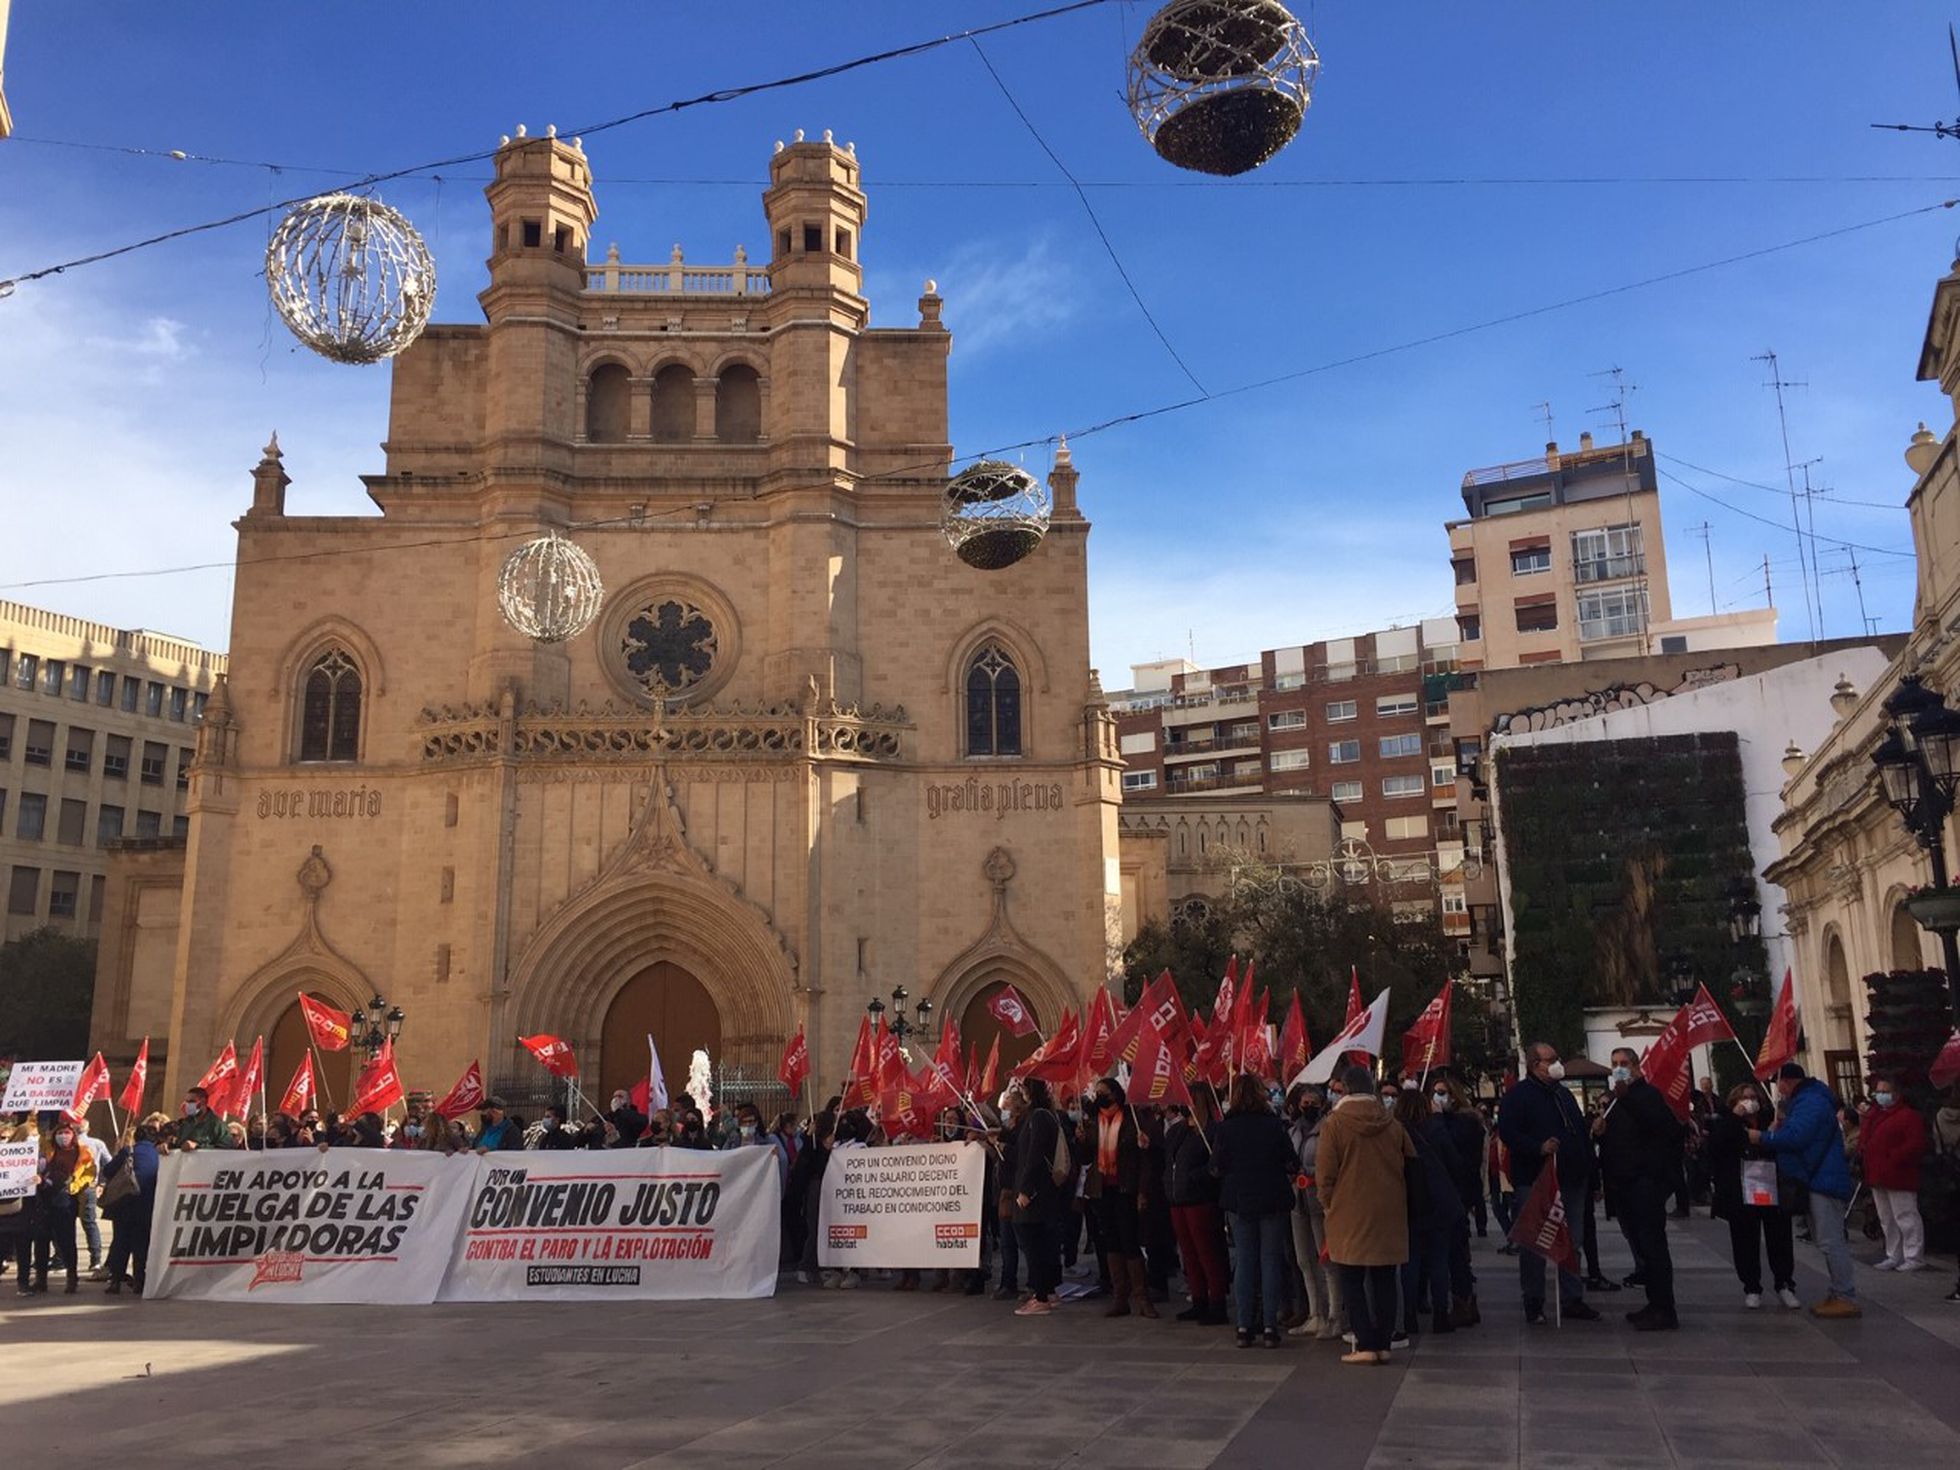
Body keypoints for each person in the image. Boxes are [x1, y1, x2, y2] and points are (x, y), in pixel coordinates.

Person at [1496, 1042, 1601, 1324]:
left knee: (1572, 1240)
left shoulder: (1563, 1094)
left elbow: (1579, 1133)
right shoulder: (1518, 1096)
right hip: (1536, 1179)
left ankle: (1572, 1297)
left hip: (1572, 1177)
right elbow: (1508, 1132)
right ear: (1535, 1065)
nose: (1557, 1063)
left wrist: (1592, 1174)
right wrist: (1537, 1147)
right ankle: (1533, 1300)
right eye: (1551, 1059)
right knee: (1534, 1244)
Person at [1317, 1064, 1415, 1365]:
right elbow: (1411, 1162)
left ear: (1345, 1089)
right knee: (1385, 1278)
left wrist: (1329, 1204)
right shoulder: (1392, 1124)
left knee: (1351, 1279)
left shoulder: (1335, 1124)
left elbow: (1325, 1174)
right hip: (1389, 1211)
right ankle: (1384, 1343)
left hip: (1348, 1213)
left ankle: (1365, 1344)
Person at [1753, 1061, 1859, 1318]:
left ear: (1788, 1082)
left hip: (1823, 1180)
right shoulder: (1806, 1101)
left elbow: (1797, 1137)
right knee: (1826, 1240)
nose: (1778, 1089)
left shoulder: (1810, 1102)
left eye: (1779, 1083)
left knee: (1831, 1241)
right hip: (1816, 1178)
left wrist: (1763, 1137)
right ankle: (1838, 1292)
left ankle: (1845, 1295)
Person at [1595, 1046, 1684, 1330]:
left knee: (1653, 1245)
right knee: (1641, 1247)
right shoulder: (1616, 1101)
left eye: (1624, 1063)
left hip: (1645, 1182)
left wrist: (1626, 1098)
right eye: (1614, 1063)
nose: (1618, 1068)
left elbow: (1659, 1127)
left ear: (1635, 1066)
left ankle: (1664, 1308)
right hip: (1624, 1183)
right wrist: (1600, 1132)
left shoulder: (1647, 1095)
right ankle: (1653, 1302)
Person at [1212, 1073, 1296, 1348]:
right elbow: (1291, 1161)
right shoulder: (1273, 1125)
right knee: (1270, 1260)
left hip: (1240, 1200)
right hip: (1271, 1198)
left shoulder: (1227, 1128)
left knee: (1245, 1261)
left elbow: (1217, 1166)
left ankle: (1244, 1325)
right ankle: (1270, 1325)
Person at [1705, 1081, 1797, 1309]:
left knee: (1779, 1237)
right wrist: (1734, 1118)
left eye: (1753, 1097)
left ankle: (1784, 1283)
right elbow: (1715, 1146)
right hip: (1741, 1188)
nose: (1750, 1102)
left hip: (1770, 1185)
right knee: (1744, 1239)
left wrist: (1774, 1132)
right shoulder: (1726, 1121)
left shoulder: (1770, 1118)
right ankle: (1752, 1286)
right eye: (1744, 1098)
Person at [1395, 1086, 1465, 1339]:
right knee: (1439, 1260)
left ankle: (1409, 1315)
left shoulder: (1395, 1131)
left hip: (1410, 1202)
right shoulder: (1436, 1129)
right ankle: (1440, 1314)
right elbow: (1455, 1163)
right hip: (1439, 1202)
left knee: (1410, 1261)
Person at [1088, 1076, 1155, 1319]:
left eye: (1103, 1092)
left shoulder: (1131, 1119)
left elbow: (1145, 1159)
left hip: (1125, 1187)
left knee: (1130, 1240)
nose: (1099, 1097)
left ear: (1115, 1094)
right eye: (1097, 1092)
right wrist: (1081, 1139)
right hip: (1102, 1189)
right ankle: (1120, 1297)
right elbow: (1086, 1156)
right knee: (1111, 1241)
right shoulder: (1093, 1120)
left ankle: (1142, 1297)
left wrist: (1142, 1190)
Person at [1164, 1097, 1229, 1326]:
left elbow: (1216, 1163)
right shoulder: (1178, 1131)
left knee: (1207, 1251)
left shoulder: (1212, 1131)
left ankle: (1217, 1301)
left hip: (1200, 1199)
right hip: (1178, 1198)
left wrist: (1196, 1177)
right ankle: (1198, 1297)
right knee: (1189, 1252)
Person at [1286, 1083, 1342, 1340]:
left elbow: (1332, 1165)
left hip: (1320, 1203)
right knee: (1303, 1260)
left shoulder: (1328, 1129)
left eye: (1313, 1103)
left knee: (1327, 1260)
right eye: (1304, 1103)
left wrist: (1310, 1174)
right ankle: (1314, 1313)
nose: (1308, 1107)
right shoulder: (1293, 1131)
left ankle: (1334, 1316)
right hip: (1297, 1202)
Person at [1009, 1078, 1068, 1317]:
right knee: (1043, 1242)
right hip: (1042, 1190)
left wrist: (1025, 1189)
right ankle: (1049, 1291)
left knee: (1033, 1242)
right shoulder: (1041, 1117)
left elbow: (1034, 1155)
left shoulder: (1039, 1117)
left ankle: (1041, 1295)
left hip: (1036, 1192)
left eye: (1023, 1089)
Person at [1430, 1075, 1485, 1326]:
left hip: (1458, 1192)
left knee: (1455, 1252)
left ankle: (1463, 1301)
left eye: (1442, 1092)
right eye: (1435, 1092)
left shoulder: (1465, 1122)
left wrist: (1438, 1120)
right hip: (1452, 1192)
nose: (1437, 1097)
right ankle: (1464, 1300)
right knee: (1456, 1250)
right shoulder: (1451, 1121)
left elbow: (1455, 1154)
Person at [1860, 1074, 1928, 1272]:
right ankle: (1893, 1254)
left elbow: (1915, 1144)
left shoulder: (1908, 1116)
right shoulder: (1875, 1115)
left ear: (1896, 1093)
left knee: (1905, 1216)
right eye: (1878, 1091)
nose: (1880, 1095)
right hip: (1877, 1174)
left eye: (1885, 1091)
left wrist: (1894, 1157)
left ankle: (1914, 1256)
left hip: (1899, 1175)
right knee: (1887, 1218)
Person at [100, 1122, 161, 1296]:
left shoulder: (128, 1151)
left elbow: (108, 1171)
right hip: (147, 1206)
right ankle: (140, 1282)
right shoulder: (159, 1154)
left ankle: (115, 1281)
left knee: (121, 1243)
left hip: (124, 1204)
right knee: (141, 1244)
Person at [36, 1121, 95, 1294]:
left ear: (73, 1135)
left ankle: (72, 1277)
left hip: (65, 1200)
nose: (63, 1136)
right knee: (41, 1239)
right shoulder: (48, 1150)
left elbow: (90, 1172)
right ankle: (40, 1279)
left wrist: (75, 1186)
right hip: (44, 1198)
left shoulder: (82, 1151)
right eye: (60, 1133)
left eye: (67, 1133)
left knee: (66, 1240)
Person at [75, 1118, 111, 1277]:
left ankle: (94, 1258)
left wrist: (102, 1183)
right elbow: (109, 1165)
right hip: (82, 1187)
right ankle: (94, 1259)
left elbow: (108, 1165)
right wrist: (102, 1183)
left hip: (85, 1187)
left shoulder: (96, 1144)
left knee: (85, 1222)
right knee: (88, 1222)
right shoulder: (96, 1144)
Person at [175, 1087, 233, 1151]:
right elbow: (176, 1144)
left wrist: (197, 1146)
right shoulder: (185, 1124)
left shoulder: (218, 1125)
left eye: (191, 1101)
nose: (188, 1105)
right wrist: (167, 1145)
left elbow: (227, 1149)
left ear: (203, 1101)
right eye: (187, 1102)